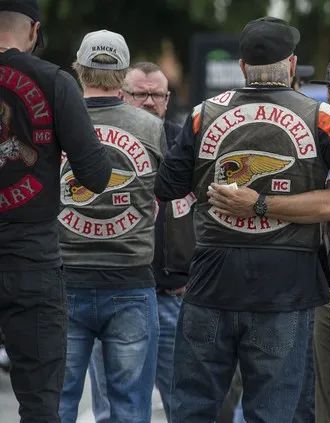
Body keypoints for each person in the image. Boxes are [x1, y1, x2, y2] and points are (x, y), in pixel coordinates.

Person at [155, 17, 330, 422]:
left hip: (210, 280)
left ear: (242, 67)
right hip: (285, 287)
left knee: (192, 409)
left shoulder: (203, 114)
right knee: (275, 412)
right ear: (292, 65)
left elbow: (167, 186)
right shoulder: (321, 117)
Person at [0, 1, 111, 421]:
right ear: (33, 29)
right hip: (31, 261)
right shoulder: (54, 81)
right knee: (41, 403)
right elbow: (96, 176)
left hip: (32, 257)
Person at [57, 31, 165, 423]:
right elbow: (162, 195)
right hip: (130, 281)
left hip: (64, 279)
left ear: (79, 69)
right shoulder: (150, 126)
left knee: (56, 404)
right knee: (131, 407)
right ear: (123, 74)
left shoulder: (55, 120)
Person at [87, 61, 192, 423]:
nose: (149, 102)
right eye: (139, 94)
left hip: (172, 295)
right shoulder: (98, 143)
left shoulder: (184, 144)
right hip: (115, 289)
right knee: (114, 409)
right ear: (121, 95)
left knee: (184, 405)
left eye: (156, 95)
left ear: (167, 99)